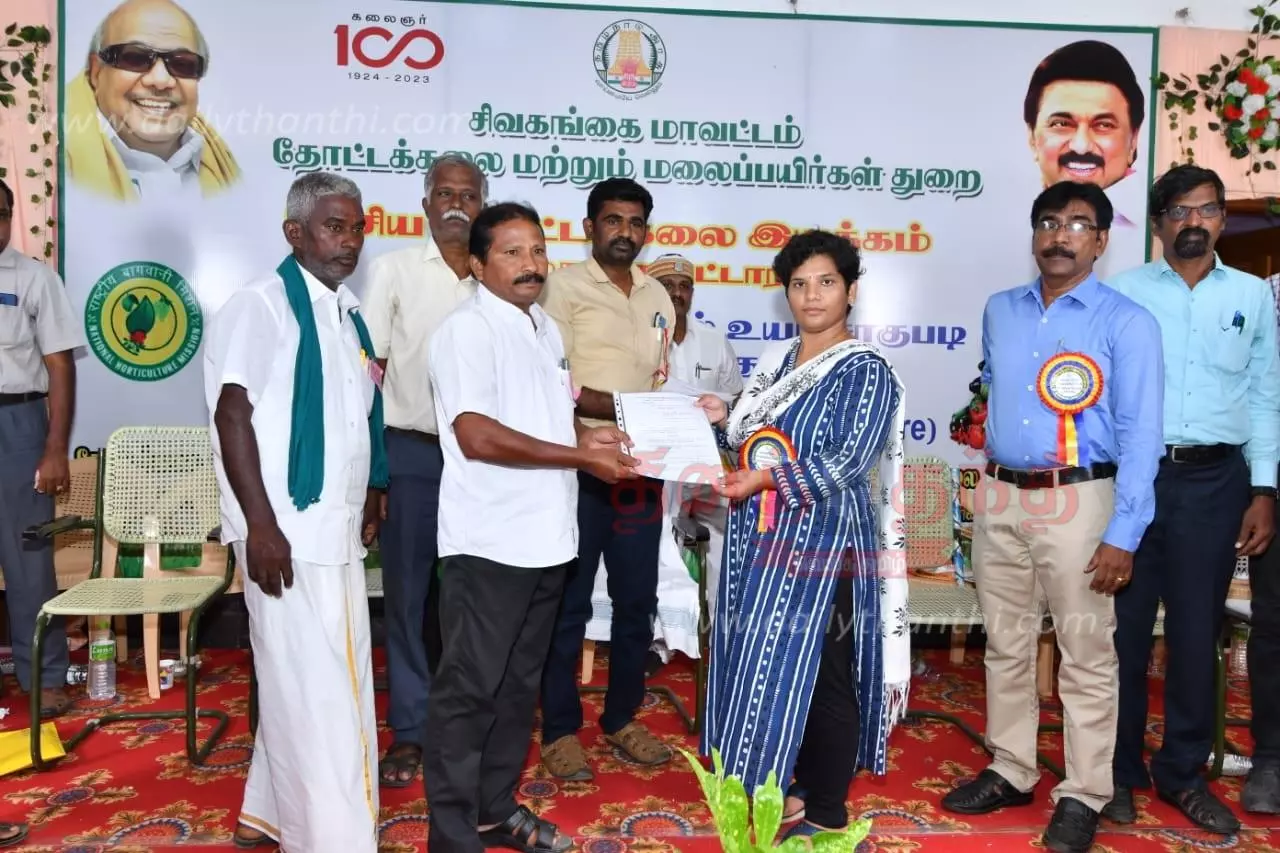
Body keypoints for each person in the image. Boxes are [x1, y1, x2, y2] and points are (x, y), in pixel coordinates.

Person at [939, 180, 1163, 853]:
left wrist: (1124, 532)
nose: (1059, 235)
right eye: (1048, 222)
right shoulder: (1000, 309)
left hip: (1082, 500)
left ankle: (1085, 791)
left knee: (1085, 651)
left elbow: (1142, 436)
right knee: (1006, 643)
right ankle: (1012, 766)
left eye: (1077, 224)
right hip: (1002, 494)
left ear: (1101, 240)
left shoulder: (1127, 322)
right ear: (1034, 233)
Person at [423, 201, 638, 853]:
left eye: (539, 250)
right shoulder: (465, 331)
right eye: (512, 252)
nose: (531, 264)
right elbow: (477, 434)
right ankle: (452, 835)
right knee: (469, 694)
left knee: (518, 690)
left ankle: (494, 810)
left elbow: (547, 419)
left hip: (548, 542)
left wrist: (592, 441)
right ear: (477, 263)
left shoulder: (543, 327)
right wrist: (580, 457)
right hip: (489, 544)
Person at [696, 229, 912, 844]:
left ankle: (827, 808)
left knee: (828, 674)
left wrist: (766, 478)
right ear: (785, 293)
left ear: (850, 291)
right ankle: (792, 784)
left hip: (825, 545)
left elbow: (848, 460)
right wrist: (721, 422)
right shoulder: (776, 364)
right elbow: (750, 449)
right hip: (759, 542)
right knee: (778, 668)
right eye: (799, 284)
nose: (812, 295)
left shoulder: (865, 370)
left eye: (826, 282)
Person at [205, 172, 385, 852]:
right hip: (284, 534)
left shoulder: (344, 312)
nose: (350, 241)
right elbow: (231, 415)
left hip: (332, 530)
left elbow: (354, 417)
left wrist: (370, 490)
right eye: (335, 227)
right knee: (320, 695)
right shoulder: (263, 304)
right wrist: (260, 526)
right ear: (294, 232)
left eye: (357, 228)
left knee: (311, 679)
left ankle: (268, 814)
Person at [1104, 164, 1280, 834]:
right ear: (1158, 224)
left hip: (1216, 483)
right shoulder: (1124, 293)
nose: (1193, 222)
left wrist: (1263, 487)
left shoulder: (1252, 296)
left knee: (1195, 632)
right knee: (1121, 635)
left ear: (1223, 219)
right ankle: (1117, 773)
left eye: (1205, 209)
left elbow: (1265, 395)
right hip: (1135, 481)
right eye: (1178, 211)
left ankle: (1182, 771)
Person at [537, 177, 676, 780]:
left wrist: (669, 417)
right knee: (568, 604)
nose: (625, 232)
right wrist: (625, 410)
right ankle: (559, 729)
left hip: (641, 470)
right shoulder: (561, 288)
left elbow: (659, 380)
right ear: (590, 227)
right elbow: (555, 381)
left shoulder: (657, 295)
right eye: (613, 220)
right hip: (582, 467)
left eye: (635, 222)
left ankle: (621, 718)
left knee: (636, 602)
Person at [363, 155, 485, 789]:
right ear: (426, 203)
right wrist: (374, 473)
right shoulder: (394, 271)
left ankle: (466, 722)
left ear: (482, 204)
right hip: (412, 451)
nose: (456, 204)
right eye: (445, 193)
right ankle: (410, 727)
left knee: (476, 597)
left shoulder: (499, 277)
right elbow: (367, 376)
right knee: (408, 596)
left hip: (486, 461)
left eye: (468, 195)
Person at [0, 177, 77, 720]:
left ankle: (44, 676)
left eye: (1, 213)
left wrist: (54, 448)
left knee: (29, 563)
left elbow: (59, 366)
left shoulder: (34, 278)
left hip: (18, 424)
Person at [66, 0, 239, 202]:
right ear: (96, 72)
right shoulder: (51, 159)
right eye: (135, 58)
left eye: (182, 64)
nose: (161, 81)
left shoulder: (221, 166)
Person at [649, 251, 742, 617]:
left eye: (684, 285)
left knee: (728, 534)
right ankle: (662, 633)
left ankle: (720, 625)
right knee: (659, 541)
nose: (677, 293)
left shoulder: (714, 341)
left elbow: (737, 399)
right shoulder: (642, 339)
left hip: (708, 463)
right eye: (667, 285)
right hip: (658, 467)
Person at [1024, 40, 1145, 211]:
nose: (1081, 147)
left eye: (1104, 125)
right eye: (1061, 124)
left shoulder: (1154, 220)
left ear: (1133, 141)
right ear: (1032, 138)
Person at [1247, 271, 1280, 815]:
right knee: (1274, 625)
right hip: (1276, 484)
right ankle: (1271, 759)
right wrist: (1262, 488)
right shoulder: (1269, 293)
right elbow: (1258, 392)